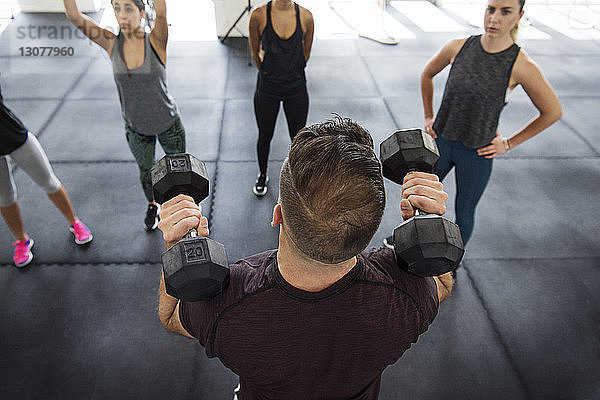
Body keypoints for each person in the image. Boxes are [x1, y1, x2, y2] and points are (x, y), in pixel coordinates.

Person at [157, 117, 453, 399]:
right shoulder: (408, 299)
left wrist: (176, 244)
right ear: (372, 226)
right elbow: (441, 285)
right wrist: (429, 218)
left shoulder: (226, 306)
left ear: (278, 214)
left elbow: (171, 315)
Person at [385, 0, 562, 252]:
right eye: (491, 9)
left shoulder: (520, 65)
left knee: (464, 213)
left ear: (519, 15)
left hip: (477, 153)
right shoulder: (458, 47)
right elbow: (427, 74)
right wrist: (428, 116)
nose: (494, 19)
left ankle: (450, 264)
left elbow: (552, 111)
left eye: (505, 12)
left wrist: (509, 143)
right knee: (418, 199)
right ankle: (404, 245)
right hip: (442, 142)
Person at [63, 0, 186, 230]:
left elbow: (161, 11)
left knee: (178, 173)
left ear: (141, 13)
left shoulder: (156, 40)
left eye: (128, 9)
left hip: (168, 123)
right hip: (136, 127)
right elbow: (75, 17)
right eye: (117, 8)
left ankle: (181, 211)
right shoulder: (110, 43)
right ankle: (152, 205)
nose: (122, 15)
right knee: (146, 173)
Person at [0, 84, 92, 268]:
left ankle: (75, 222)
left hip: (14, 136)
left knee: (48, 182)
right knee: (4, 197)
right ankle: (22, 240)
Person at [248, 0, 314, 196]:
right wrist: (271, 73)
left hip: (296, 87)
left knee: (299, 138)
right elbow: (255, 53)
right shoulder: (258, 15)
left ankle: (297, 178)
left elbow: (305, 55)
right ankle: (262, 174)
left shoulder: (306, 17)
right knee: (265, 135)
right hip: (268, 87)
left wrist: (289, 72)